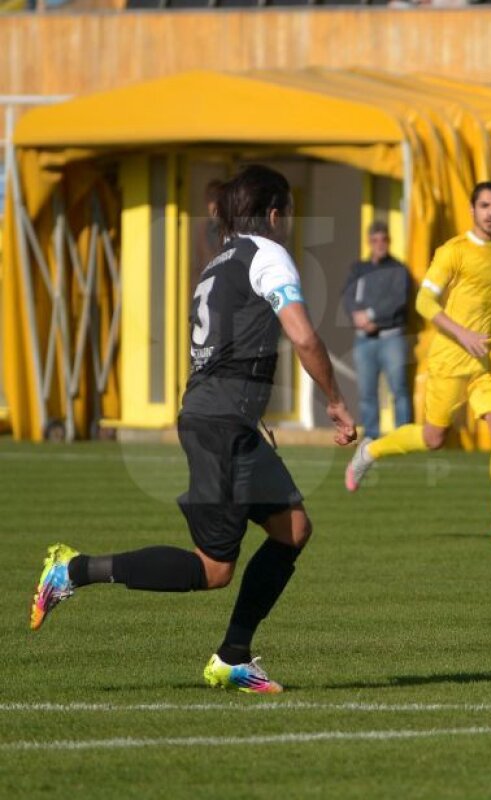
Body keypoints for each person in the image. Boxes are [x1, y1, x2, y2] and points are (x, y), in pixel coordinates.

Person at [30, 165, 357, 693]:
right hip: (222, 423)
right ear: (274, 212)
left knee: (293, 529)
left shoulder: (217, 264)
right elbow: (303, 335)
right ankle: (74, 570)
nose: (291, 223)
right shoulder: (266, 253)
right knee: (213, 570)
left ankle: (233, 655)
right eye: (289, 212)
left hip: (220, 417)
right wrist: (337, 402)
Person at [344, 182, 491, 544]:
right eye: (484, 205)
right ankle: (371, 450)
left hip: (489, 360)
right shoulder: (453, 251)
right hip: (451, 360)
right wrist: (463, 334)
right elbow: (424, 303)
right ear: (472, 209)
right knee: (433, 438)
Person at [342, 220, 415, 439]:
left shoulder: (399, 270)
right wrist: (356, 315)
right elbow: (347, 295)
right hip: (364, 339)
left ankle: (403, 437)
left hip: (391, 338)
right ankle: (371, 439)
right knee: (367, 393)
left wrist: (372, 315)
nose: (379, 244)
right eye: (375, 240)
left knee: (399, 389)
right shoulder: (358, 269)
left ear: (389, 241)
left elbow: (398, 300)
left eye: (383, 239)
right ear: (369, 242)